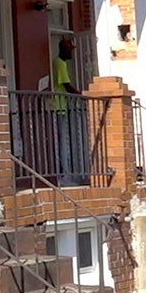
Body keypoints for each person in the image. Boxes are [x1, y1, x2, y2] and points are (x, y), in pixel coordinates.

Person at [52, 37, 86, 184]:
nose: (71, 54)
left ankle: (66, 174)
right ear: (63, 50)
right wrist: (82, 95)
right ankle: (63, 175)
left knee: (64, 140)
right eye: (69, 50)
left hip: (62, 106)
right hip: (58, 107)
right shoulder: (60, 63)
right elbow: (66, 86)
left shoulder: (61, 63)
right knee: (62, 141)